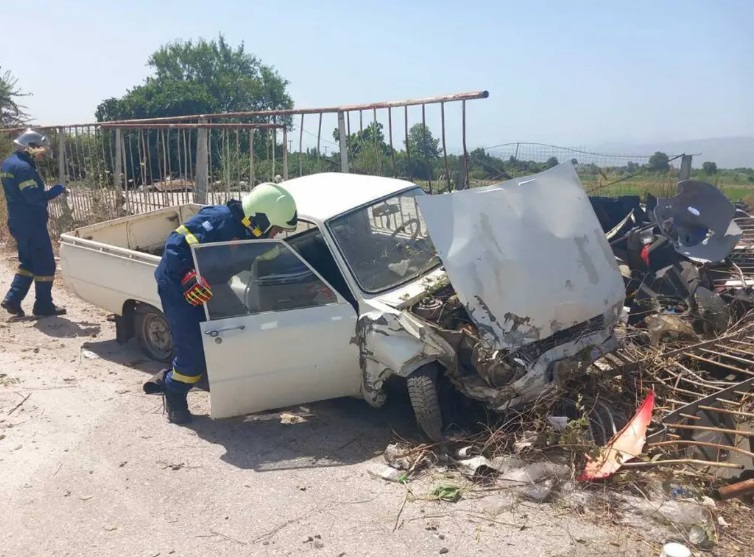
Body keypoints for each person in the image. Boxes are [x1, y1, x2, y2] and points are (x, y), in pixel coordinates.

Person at [150, 183, 298, 424]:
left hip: (212, 284)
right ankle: (173, 390)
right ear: (261, 220)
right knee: (193, 354)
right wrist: (187, 275)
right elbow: (176, 243)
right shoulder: (219, 220)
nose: (277, 235)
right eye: (276, 229)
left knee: (241, 332)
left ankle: (240, 392)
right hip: (179, 286)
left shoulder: (253, 234)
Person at [1, 129, 66, 317]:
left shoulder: (8, 163)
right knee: (45, 264)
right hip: (31, 224)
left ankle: (13, 300)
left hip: (17, 221)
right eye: (41, 150)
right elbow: (33, 197)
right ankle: (43, 306)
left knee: (28, 262)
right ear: (30, 147)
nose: (42, 154)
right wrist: (54, 191)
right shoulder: (24, 168)